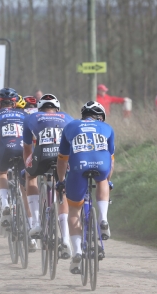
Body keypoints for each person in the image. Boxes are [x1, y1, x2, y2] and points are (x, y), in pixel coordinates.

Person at [57, 101, 114, 274]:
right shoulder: (107, 128)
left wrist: (61, 181)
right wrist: (108, 179)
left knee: (74, 211)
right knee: (102, 180)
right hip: (101, 165)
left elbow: (62, 159)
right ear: (100, 117)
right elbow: (111, 159)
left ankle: (77, 252)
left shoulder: (71, 126)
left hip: (78, 167)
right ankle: (103, 218)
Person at [22, 94, 74, 259]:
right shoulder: (68, 117)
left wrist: (28, 166)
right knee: (62, 188)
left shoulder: (32, 117)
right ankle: (65, 238)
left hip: (42, 154)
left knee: (30, 177)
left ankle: (36, 223)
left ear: (40, 108)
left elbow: (27, 148)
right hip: (63, 157)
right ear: (57, 108)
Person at [0, 89, 32, 247]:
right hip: (23, 150)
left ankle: (4, 202)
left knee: (1, 172)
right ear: (15, 102)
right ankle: (32, 230)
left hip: (5, 149)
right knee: (26, 189)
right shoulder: (25, 115)